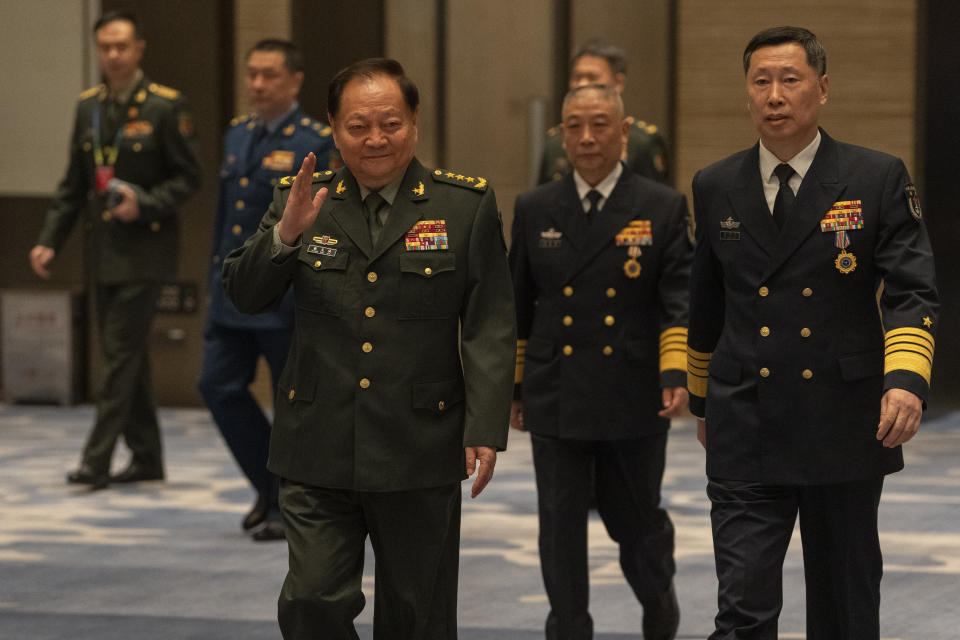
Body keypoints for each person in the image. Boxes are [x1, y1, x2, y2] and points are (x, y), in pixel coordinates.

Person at [222, 58, 515, 638]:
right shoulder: (302, 198)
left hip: (418, 443)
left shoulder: (464, 206)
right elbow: (244, 294)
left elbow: (489, 322)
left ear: (414, 124)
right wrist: (286, 236)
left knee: (418, 615)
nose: (376, 139)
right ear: (333, 127)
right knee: (310, 602)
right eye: (358, 126)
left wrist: (484, 424)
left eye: (391, 123)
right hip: (316, 442)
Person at [686, 26, 939, 639]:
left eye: (790, 80)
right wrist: (701, 402)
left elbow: (912, 290)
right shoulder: (716, 183)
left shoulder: (874, 177)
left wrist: (905, 380)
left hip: (844, 422)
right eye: (761, 81)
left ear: (821, 89)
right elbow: (705, 303)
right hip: (747, 422)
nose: (775, 95)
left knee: (845, 608)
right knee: (741, 609)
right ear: (747, 93)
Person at [510, 84, 691, 640]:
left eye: (598, 125)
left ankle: (658, 603)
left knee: (635, 524)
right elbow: (517, 304)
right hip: (555, 390)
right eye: (574, 127)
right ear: (561, 134)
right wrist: (514, 388)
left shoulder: (661, 205)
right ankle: (568, 627)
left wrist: (675, 373)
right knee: (559, 527)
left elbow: (678, 298)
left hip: (631, 392)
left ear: (623, 130)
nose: (586, 138)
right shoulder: (535, 206)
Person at [29, 10, 201, 490]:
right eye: (105, 47)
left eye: (121, 46)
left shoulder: (166, 106)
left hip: (145, 251)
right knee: (128, 358)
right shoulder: (90, 107)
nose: (113, 55)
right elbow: (73, 185)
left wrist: (143, 204)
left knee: (119, 357)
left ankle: (96, 460)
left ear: (139, 49)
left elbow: (189, 178)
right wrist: (47, 241)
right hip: (101, 253)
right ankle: (147, 458)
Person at [198, 39, 335, 542]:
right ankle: (268, 486)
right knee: (216, 386)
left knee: (292, 407)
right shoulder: (237, 135)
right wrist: (216, 281)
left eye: (269, 75)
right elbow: (225, 220)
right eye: (252, 74)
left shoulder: (315, 141)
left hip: (284, 302)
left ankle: (285, 503)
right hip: (233, 293)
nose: (257, 84)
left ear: (295, 80)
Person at [538, 38, 670, 186]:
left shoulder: (642, 142)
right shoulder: (554, 142)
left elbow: (657, 199)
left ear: (618, 83)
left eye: (592, 77)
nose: (582, 84)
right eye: (577, 77)